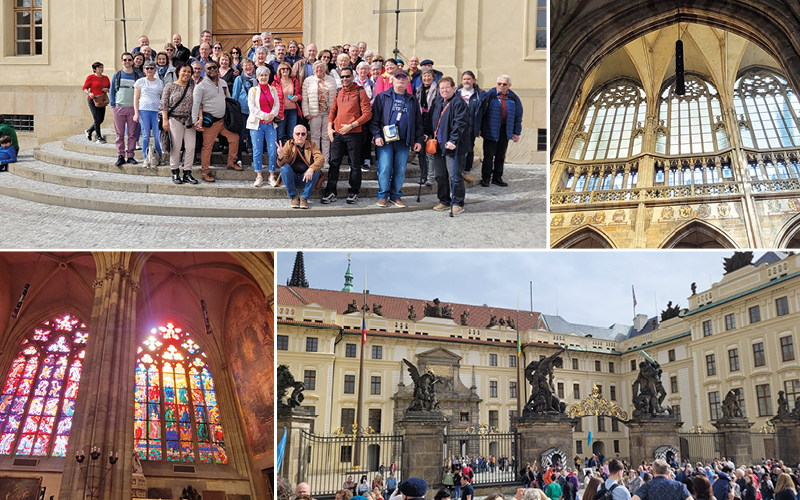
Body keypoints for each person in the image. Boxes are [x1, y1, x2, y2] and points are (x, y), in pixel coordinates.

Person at [370, 69, 423, 208]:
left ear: (407, 82)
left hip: (404, 141)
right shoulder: (382, 97)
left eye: (404, 78)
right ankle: (383, 195)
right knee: (385, 168)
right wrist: (376, 135)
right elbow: (374, 119)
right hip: (386, 140)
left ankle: (396, 195)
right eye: (398, 77)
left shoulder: (412, 100)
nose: (401, 79)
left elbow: (418, 122)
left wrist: (418, 140)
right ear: (392, 81)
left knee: (400, 169)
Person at [323, 66, 371, 204]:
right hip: (337, 133)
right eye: (342, 77)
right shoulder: (338, 92)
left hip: (354, 133)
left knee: (355, 164)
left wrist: (351, 125)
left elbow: (367, 114)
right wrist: (329, 127)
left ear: (353, 77)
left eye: (347, 76)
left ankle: (354, 192)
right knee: (334, 163)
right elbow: (333, 110)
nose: (344, 79)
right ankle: (331, 191)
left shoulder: (360, 92)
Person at [191, 59, 241, 182]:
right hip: (210, 122)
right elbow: (196, 104)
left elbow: (228, 99)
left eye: (214, 67)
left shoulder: (223, 82)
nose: (212, 70)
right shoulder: (200, 86)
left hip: (223, 121)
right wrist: (194, 121)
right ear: (205, 70)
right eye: (209, 68)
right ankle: (205, 171)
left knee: (235, 138)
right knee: (207, 147)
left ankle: (231, 162)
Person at [430, 76, 469, 215]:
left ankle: (458, 202)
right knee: (440, 175)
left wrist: (453, 140)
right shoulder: (437, 101)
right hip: (439, 145)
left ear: (453, 88)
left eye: (447, 87)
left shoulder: (459, 103)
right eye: (442, 88)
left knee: (455, 176)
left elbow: (460, 123)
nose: (445, 90)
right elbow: (432, 119)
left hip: (453, 146)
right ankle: (444, 200)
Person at [477, 74, 522, 187]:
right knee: (488, 155)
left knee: (501, 155)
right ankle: (485, 178)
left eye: (504, 84)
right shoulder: (489, 95)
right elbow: (481, 113)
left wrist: (516, 132)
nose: (501, 86)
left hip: (505, 130)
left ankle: (497, 177)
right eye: (499, 83)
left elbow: (518, 116)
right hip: (490, 130)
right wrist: (479, 129)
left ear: (509, 85)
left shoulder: (514, 98)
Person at [160, 64, 198, 184]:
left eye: (188, 72)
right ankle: (175, 172)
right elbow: (163, 104)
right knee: (175, 147)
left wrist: (199, 118)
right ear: (178, 72)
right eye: (184, 71)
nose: (186, 74)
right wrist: (165, 120)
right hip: (174, 119)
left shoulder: (193, 87)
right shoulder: (170, 86)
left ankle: (187, 172)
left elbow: (198, 104)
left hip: (189, 121)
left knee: (191, 147)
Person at [246, 66, 280, 187]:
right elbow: (252, 108)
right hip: (257, 125)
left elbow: (277, 105)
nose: (264, 77)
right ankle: (259, 175)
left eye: (266, 75)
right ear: (257, 77)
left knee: (272, 151)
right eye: (261, 75)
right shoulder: (253, 90)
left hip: (270, 124)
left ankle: (271, 175)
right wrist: (266, 116)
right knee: (257, 150)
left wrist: (272, 115)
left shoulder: (273, 90)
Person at [110, 52, 143, 166]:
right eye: (125, 60)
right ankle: (120, 155)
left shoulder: (137, 76)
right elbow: (112, 90)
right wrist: (113, 104)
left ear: (132, 61)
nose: (127, 62)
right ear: (122, 61)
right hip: (119, 107)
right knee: (119, 134)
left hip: (133, 109)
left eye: (129, 60)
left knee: (132, 134)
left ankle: (130, 155)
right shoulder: (117, 75)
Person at [301, 61, 336, 165]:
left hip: (327, 113)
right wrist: (306, 112)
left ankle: (325, 160)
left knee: (326, 137)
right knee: (315, 136)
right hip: (314, 112)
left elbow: (335, 97)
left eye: (321, 67)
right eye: (317, 68)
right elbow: (305, 99)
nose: (319, 69)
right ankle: (316, 160)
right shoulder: (308, 81)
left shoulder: (331, 80)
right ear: (313, 69)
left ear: (325, 68)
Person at [133, 61, 165, 165]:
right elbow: (136, 98)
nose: (149, 70)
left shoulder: (160, 82)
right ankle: (145, 158)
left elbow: (162, 98)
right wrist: (136, 113)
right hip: (144, 110)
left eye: (151, 68)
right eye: (147, 68)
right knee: (146, 135)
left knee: (157, 135)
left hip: (156, 111)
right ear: (144, 70)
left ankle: (159, 157)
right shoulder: (140, 82)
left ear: (155, 69)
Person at [455, 70, 482, 183]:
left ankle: (466, 172)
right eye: (464, 79)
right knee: (455, 149)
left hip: (470, 126)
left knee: (469, 150)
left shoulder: (479, 94)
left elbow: (482, 113)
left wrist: (479, 127)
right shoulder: (456, 92)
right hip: (456, 126)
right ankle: (455, 171)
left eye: (469, 79)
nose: (466, 81)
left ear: (473, 80)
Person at [415, 67, 440, 186]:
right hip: (420, 123)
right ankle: (423, 174)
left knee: (430, 152)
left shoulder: (438, 90)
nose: (427, 78)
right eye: (424, 76)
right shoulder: (418, 90)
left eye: (429, 75)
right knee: (421, 153)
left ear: (433, 77)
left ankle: (431, 176)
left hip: (432, 123)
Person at [274, 61, 303, 143]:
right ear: (279, 70)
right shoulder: (276, 82)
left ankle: (291, 153)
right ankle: (281, 154)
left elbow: (300, 95)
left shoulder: (294, 81)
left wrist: (297, 97)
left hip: (293, 110)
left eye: (287, 68)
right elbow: (272, 96)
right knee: (280, 134)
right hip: (280, 111)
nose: (285, 70)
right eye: (283, 69)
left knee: (291, 133)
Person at [83, 62, 111, 143]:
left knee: (101, 119)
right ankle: (99, 137)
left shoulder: (105, 78)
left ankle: (89, 131)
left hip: (101, 99)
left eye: (102, 67)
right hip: (93, 100)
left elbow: (109, 87)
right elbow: (84, 88)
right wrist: (89, 93)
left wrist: (107, 90)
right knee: (97, 119)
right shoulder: (90, 77)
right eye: (99, 67)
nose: (101, 69)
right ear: (94, 69)